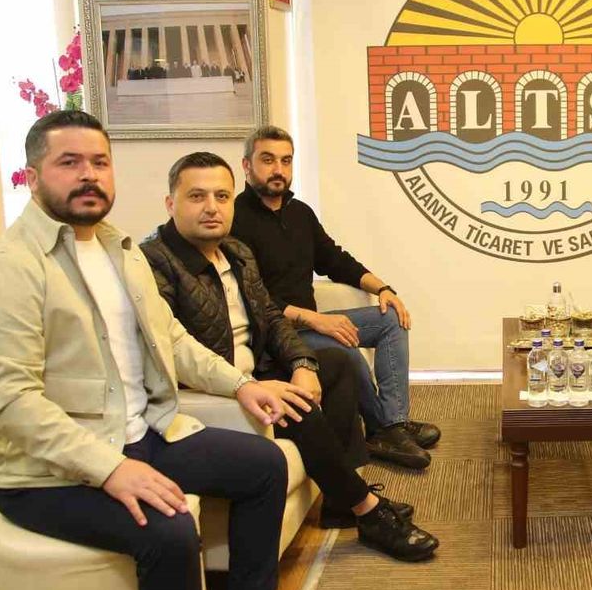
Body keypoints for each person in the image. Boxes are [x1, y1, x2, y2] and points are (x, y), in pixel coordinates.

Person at [0, 111, 337, 590]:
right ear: (33, 176)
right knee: (170, 528)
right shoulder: (6, 269)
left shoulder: (119, 251)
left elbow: (172, 339)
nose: (88, 175)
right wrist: (110, 468)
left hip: (141, 434)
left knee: (263, 464)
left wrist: (240, 385)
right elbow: (11, 402)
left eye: (99, 162)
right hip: (47, 474)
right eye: (69, 162)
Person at [141, 151, 439, 560]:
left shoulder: (236, 251)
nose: (211, 207)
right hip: (219, 389)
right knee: (301, 404)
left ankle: (343, 493)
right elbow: (174, 354)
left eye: (221, 196)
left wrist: (302, 364)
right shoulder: (153, 264)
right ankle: (367, 511)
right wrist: (254, 382)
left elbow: (270, 315)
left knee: (335, 364)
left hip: (259, 368)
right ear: (170, 203)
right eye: (197, 196)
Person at [231, 126, 440, 469]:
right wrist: (316, 320)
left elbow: (333, 259)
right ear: (247, 165)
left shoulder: (300, 213)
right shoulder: (235, 220)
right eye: (268, 160)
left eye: (286, 161)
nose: (278, 170)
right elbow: (250, 298)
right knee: (344, 349)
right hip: (275, 336)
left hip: (311, 323)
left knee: (390, 318)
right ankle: (380, 430)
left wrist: (383, 289)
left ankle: (394, 422)